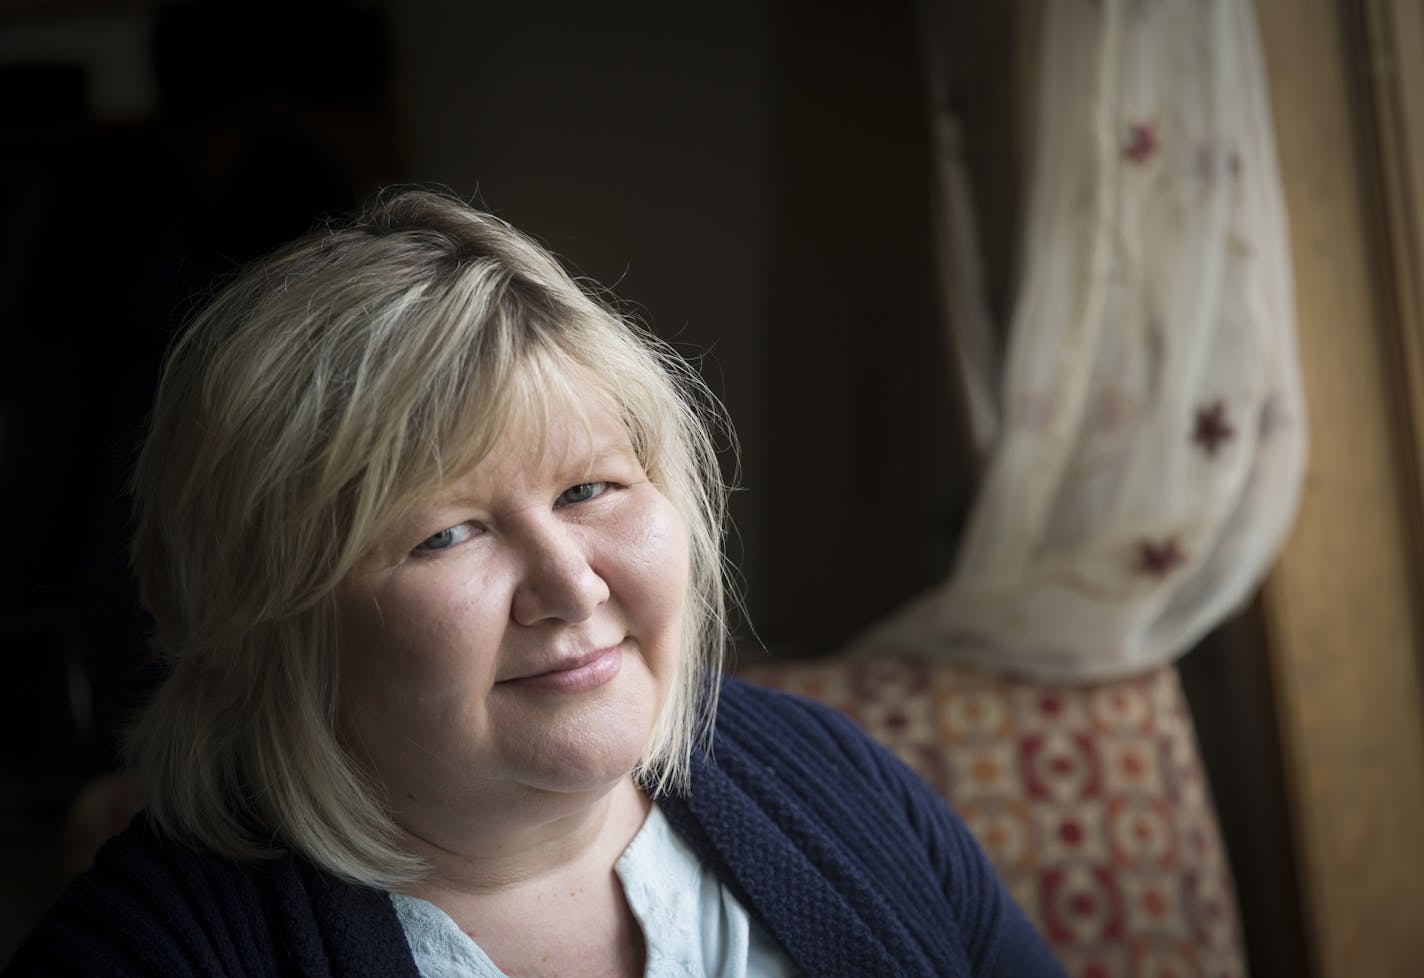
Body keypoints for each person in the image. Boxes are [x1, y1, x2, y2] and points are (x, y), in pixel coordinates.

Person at [3, 191, 1065, 977]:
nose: (569, 585)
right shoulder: (147, 955)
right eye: (446, 534)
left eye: (591, 488)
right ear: (268, 621)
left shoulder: (833, 783)